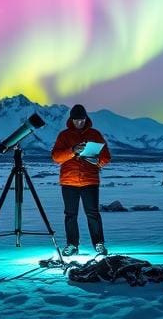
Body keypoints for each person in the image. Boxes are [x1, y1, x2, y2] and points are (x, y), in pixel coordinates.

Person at [50, 104, 112, 257]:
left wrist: (95, 160)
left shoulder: (94, 134)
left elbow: (106, 157)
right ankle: (72, 245)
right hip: (69, 182)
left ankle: (99, 243)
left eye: (82, 120)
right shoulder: (64, 136)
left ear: (86, 118)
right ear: (71, 119)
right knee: (70, 215)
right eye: (77, 120)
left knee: (93, 214)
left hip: (90, 181)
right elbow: (56, 157)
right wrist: (72, 151)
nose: (79, 123)